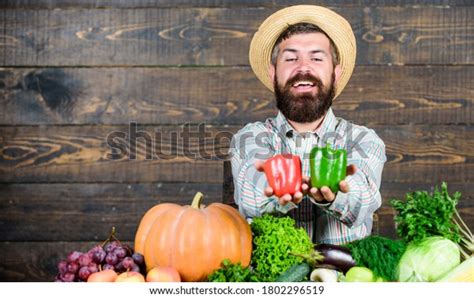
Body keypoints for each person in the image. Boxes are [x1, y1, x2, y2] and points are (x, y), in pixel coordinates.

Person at [229, 5, 387, 245]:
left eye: (316, 58)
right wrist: (306, 182)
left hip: (345, 280)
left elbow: (363, 200)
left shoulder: (364, 140)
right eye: (291, 58)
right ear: (273, 74)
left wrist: (332, 194)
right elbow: (250, 198)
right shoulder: (249, 138)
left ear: (335, 73)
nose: (303, 67)